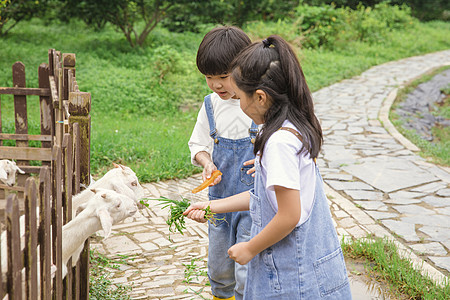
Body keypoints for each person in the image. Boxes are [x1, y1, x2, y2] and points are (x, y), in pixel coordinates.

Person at [184, 35, 352, 299]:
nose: (237, 103)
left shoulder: (278, 144)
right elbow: (262, 198)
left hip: (293, 279)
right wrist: (211, 206)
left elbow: (288, 215)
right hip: (305, 269)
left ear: (260, 97)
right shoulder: (291, 128)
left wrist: (250, 247)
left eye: (239, 96)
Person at [187, 26, 257, 300]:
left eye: (224, 77)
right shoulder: (210, 106)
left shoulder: (257, 105)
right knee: (219, 270)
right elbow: (198, 145)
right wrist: (207, 163)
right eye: (209, 77)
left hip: (252, 203)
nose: (217, 85)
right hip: (218, 202)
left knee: (245, 271)